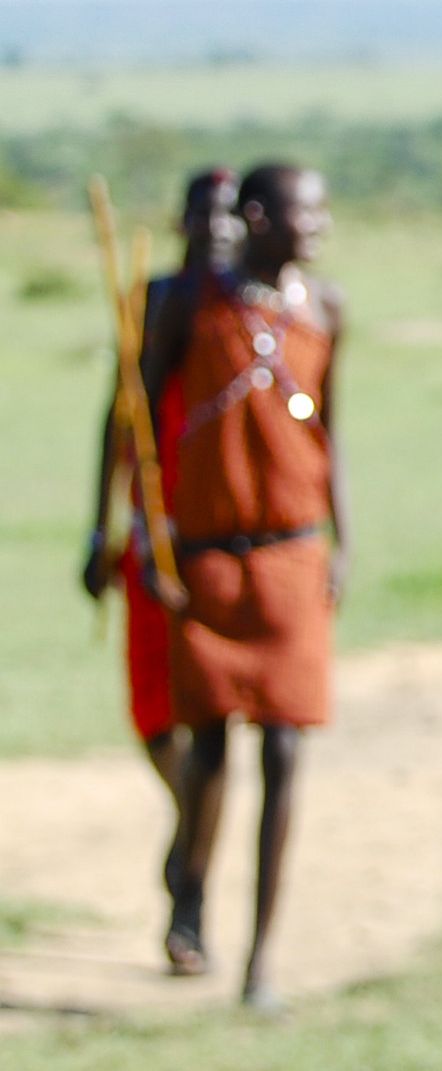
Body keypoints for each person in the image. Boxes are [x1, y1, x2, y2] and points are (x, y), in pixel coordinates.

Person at [147, 163, 348, 1012]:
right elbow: (137, 418)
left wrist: (345, 540)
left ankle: (264, 955)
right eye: (305, 212)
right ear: (260, 218)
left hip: (294, 556)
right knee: (209, 750)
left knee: (287, 749)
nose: (318, 226)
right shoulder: (190, 304)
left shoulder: (326, 308)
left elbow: (334, 430)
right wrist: (138, 535)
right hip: (207, 560)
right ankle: (191, 884)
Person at [82, 167, 241, 805]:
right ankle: (190, 819)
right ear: (182, 222)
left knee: (211, 700)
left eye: (231, 213)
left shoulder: (249, 308)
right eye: (205, 213)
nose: (217, 227)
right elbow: (120, 419)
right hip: (154, 528)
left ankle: (197, 841)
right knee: (153, 704)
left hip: (224, 533)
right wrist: (101, 528)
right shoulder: (153, 299)